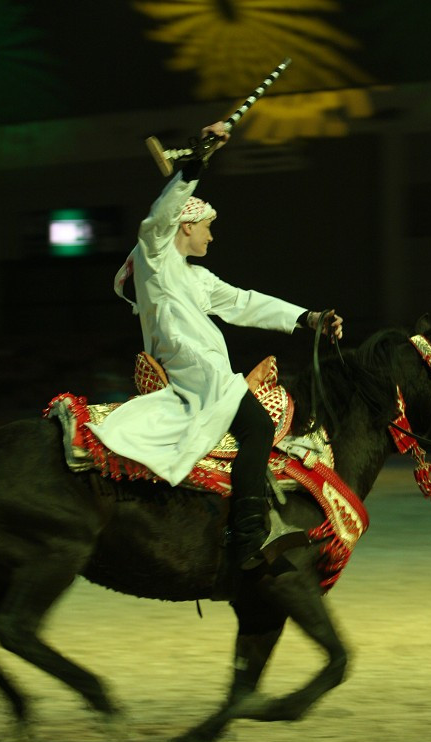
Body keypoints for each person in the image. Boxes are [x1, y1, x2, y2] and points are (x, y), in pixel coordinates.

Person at [88, 122, 343, 570]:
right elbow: (156, 221)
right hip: (195, 379)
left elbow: (246, 303)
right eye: (207, 226)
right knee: (260, 429)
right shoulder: (156, 264)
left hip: (210, 376)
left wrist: (308, 318)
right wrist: (190, 172)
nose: (211, 235)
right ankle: (249, 537)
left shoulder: (197, 278)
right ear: (185, 227)